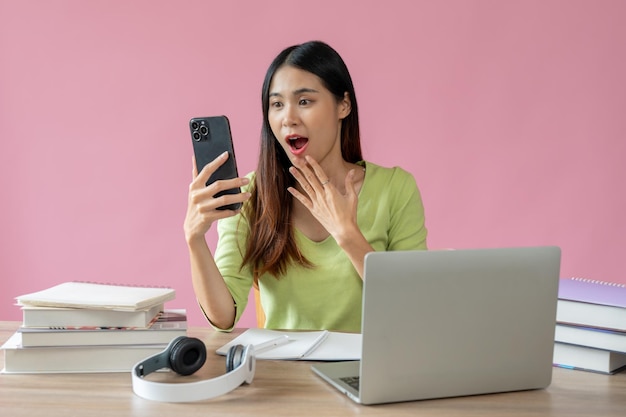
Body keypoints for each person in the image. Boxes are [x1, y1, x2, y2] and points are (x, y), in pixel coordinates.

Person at [184, 40, 427, 333]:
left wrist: (346, 234)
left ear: (343, 105)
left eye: (304, 101)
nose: (288, 118)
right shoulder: (251, 195)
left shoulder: (395, 189)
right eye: (277, 104)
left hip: (364, 371)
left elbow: (413, 310)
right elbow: (223, 317)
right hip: (283, 373)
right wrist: (195, 239)